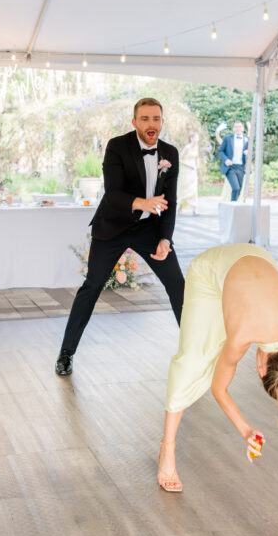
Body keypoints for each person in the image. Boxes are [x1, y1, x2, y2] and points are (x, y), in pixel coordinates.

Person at [156, 243, 278, 492]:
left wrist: (276, 296)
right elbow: (218, 388)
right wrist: (246, 431)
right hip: (209, 272)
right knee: (193, 359)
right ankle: (167, 449)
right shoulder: (241, 336)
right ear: (261, 372)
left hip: (257, 256)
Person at [56, 98, 185, 375]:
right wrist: (143, 203)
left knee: (177, 284)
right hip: (113, 226)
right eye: (145, 119)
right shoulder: (117, 146)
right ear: (134, 122)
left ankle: (194, 352)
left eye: (156, 118)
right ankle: (66, 353)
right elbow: (113, 194)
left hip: (149, 229)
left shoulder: (170, 153)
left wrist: (165, 239)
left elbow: (171, 202)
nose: (151, 124)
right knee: (92, 286)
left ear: (162, 121)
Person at [218, 121, 249, 201]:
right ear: (233, 129)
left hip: (241, 167)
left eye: (239, 126)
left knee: (239, 189)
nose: (237, 128)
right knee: (235, 188)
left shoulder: (247, 139)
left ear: (243, 129)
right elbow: (220, 151)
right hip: (230, 167)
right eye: (236, 127)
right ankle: (233, 205)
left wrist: (248, 152)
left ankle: (233, 204)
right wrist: (226, 159)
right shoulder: (228, 138)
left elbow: (252, 151)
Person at [177, 131, 199, 215]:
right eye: (196, 138)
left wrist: (198, 165)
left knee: (194, 188)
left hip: (193, 170)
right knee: (185, 188)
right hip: (185, 170)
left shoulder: (196, 147)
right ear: (191, 138)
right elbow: (179, 159)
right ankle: (180, 208)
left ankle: (194, 208)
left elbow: (197, 157)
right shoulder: (187, 147)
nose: (198, 139)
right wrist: (188, 165)